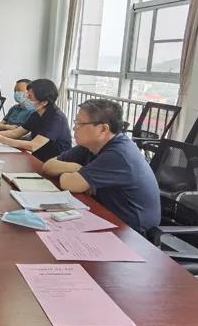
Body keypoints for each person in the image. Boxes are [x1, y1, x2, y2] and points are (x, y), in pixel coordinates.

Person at [43, 99, 161, 234]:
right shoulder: (90, 145)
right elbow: (48, 166)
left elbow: (69, 183)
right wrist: (77, 168)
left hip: (130, 231)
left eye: (80, 124)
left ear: (103, 129)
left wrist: (74, 173)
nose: (74, 127)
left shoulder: (119, 154)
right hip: (104, 213)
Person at [0, 78, 71, 162]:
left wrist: (1, 139)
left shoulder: (56, 118)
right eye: (27, 94)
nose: (26, 97)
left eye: (30, 96)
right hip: (37, 159)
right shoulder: (37, 114)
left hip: (55, 163)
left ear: (44, 102)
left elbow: (33, 146)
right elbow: (16, 133)